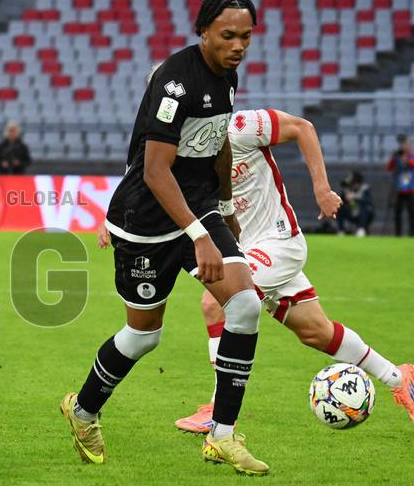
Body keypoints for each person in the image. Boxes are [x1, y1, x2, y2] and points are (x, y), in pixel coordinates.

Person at [60, 0, 269, 475]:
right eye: (228, 35)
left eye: (246, 36)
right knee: (143, 336)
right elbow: (155, 171)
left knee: (244, 305)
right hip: (146, 220)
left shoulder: (227, 76)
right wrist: (199, 235)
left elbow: (218, 145)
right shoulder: (176, 82)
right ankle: (83, 410)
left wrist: (223, 210)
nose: (238, 46)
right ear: (203, 32)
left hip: (197, 208)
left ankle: (222, 436)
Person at [173, 109, 414, 434]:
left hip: (279, 242)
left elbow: (303, 127)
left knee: (216, 300)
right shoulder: (184, 154)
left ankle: (218, 408)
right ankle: (400, 378)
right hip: (247, 251)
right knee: (317, 332)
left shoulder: (240, 126)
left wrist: (321, 189)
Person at [387, 134, 414, 236]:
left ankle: (412, 233)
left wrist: (407, 160)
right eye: (402, 144)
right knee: (397, 211)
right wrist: (393, 158)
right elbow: (389, 167)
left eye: (405, 144)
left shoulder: (411, 156)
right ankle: (398, 234)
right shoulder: (397, 156)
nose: (403, 146)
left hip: (411, 189)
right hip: (400, 189)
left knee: (412, 212)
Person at [337, 170, 373, 236]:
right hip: (351, 211)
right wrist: (346, 197)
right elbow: (340, 201)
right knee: (339, 209)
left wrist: (355, 197)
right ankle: (341, 230)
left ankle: (361, 229)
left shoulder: (365, 188)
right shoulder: (348, 189)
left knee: (365, 209)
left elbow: (368, 201)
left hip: (363, 213)